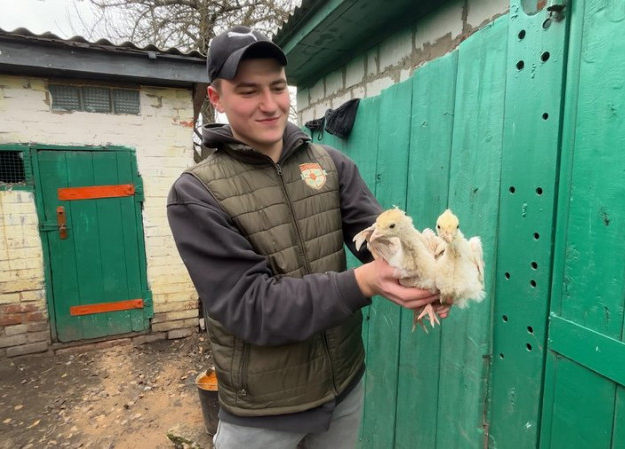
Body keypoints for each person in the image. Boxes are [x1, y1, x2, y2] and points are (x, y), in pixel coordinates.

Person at [167, 25, 445, 449]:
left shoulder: (330, 164)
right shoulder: (195, 194)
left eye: (278, 87)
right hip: (262, 413)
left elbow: (378, 237)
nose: (269, 105)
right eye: (248, 91)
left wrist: (425, 263)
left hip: (344, 389)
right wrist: (365, 282)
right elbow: (251, 306)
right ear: (216, 98)